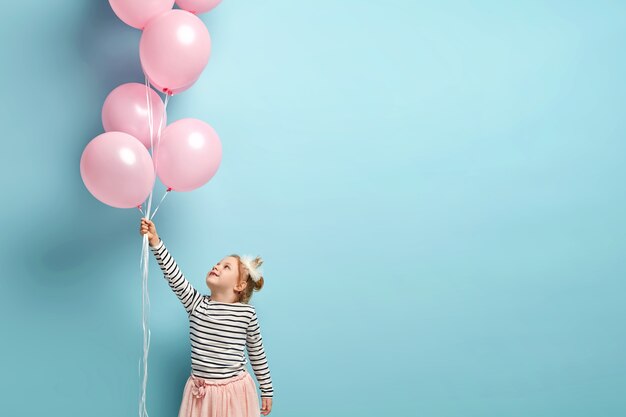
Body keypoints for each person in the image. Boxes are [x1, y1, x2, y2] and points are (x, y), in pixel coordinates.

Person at [140, 218, 274, 417]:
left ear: (239, 286)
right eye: (218, 263)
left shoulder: (246, 314)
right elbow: (174, 276)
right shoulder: (196, 303)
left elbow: (257, 352)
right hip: (201, 395)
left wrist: (266, 388)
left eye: (226, 267)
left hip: (234, 393)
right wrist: (156, 242)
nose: (217, 266)